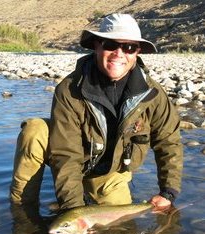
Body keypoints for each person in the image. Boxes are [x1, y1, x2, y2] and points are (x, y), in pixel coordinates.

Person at [10, 13, 183, 212]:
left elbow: (169, 142)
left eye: (128, 47)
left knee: (120, 224)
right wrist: (74, 211)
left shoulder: (152, 94)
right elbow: (66, 155)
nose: (119, 53)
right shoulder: (69, 89)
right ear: (96, 46)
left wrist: (167, 193)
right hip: (74, 162)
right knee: (35, 130)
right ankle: (21, 214)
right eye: (110, 44)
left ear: (137, 52)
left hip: (111, 174)